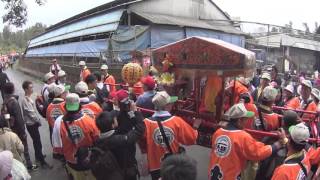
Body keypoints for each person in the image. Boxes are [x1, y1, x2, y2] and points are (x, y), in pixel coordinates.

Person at [209, 103, 286, 180]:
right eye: (245, 119)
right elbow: (257, 153)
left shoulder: (218, 132)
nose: (246, 121)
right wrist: (277, 144)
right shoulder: (242, 136)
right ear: (239, 120)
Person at [142, 91, 198, 180]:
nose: (172, 105)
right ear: (166, 106)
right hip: (173, 166)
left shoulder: (146, 122)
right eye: (170, 103)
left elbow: (142, 143)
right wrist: (195, 127)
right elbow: (191, 138)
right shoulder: (176, 121)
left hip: (155, 166)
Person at [52, 93, 99, 180]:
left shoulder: (58, 122)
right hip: (88, 158)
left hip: (72, 161)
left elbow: (57, 147)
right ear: (79, 106)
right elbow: (96, 138)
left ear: (65, 106)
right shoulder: (89, 120)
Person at [94, 106, 145, 180]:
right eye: (114, 118)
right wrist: (136, 113)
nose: (116, 118)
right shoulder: (120, 140)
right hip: (125, 173)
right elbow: (139, 131)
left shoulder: (97, 142)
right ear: (112, 124)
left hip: (110, 174)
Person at [2, 82, 38, 171]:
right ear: (13, 89)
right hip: (18, 128)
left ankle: (18, 167)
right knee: (24, 147)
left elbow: (6, 117)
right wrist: (23, 131)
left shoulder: (5, 101)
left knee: (15, 149)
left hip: (11, 128)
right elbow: (19, 118)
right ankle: (29, 166)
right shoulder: (13, 101)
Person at [21, 81, 52, 168]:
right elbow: (31, 114)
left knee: (36, 141)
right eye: (30, 87)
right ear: (26, 89)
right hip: (31, 124)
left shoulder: (28, 98)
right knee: (37, 141)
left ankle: (38, 156)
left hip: (33, 123)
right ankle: (42, 161)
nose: (32, 89)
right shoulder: (25, 100)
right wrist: (38, 121)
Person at [46, 84, 67, 155]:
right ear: (61, 95)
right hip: (65, 133)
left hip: (55, 132)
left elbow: (48, 120)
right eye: (65, 92)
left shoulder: (49, 107)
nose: (66, 93)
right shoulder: (65, 105)